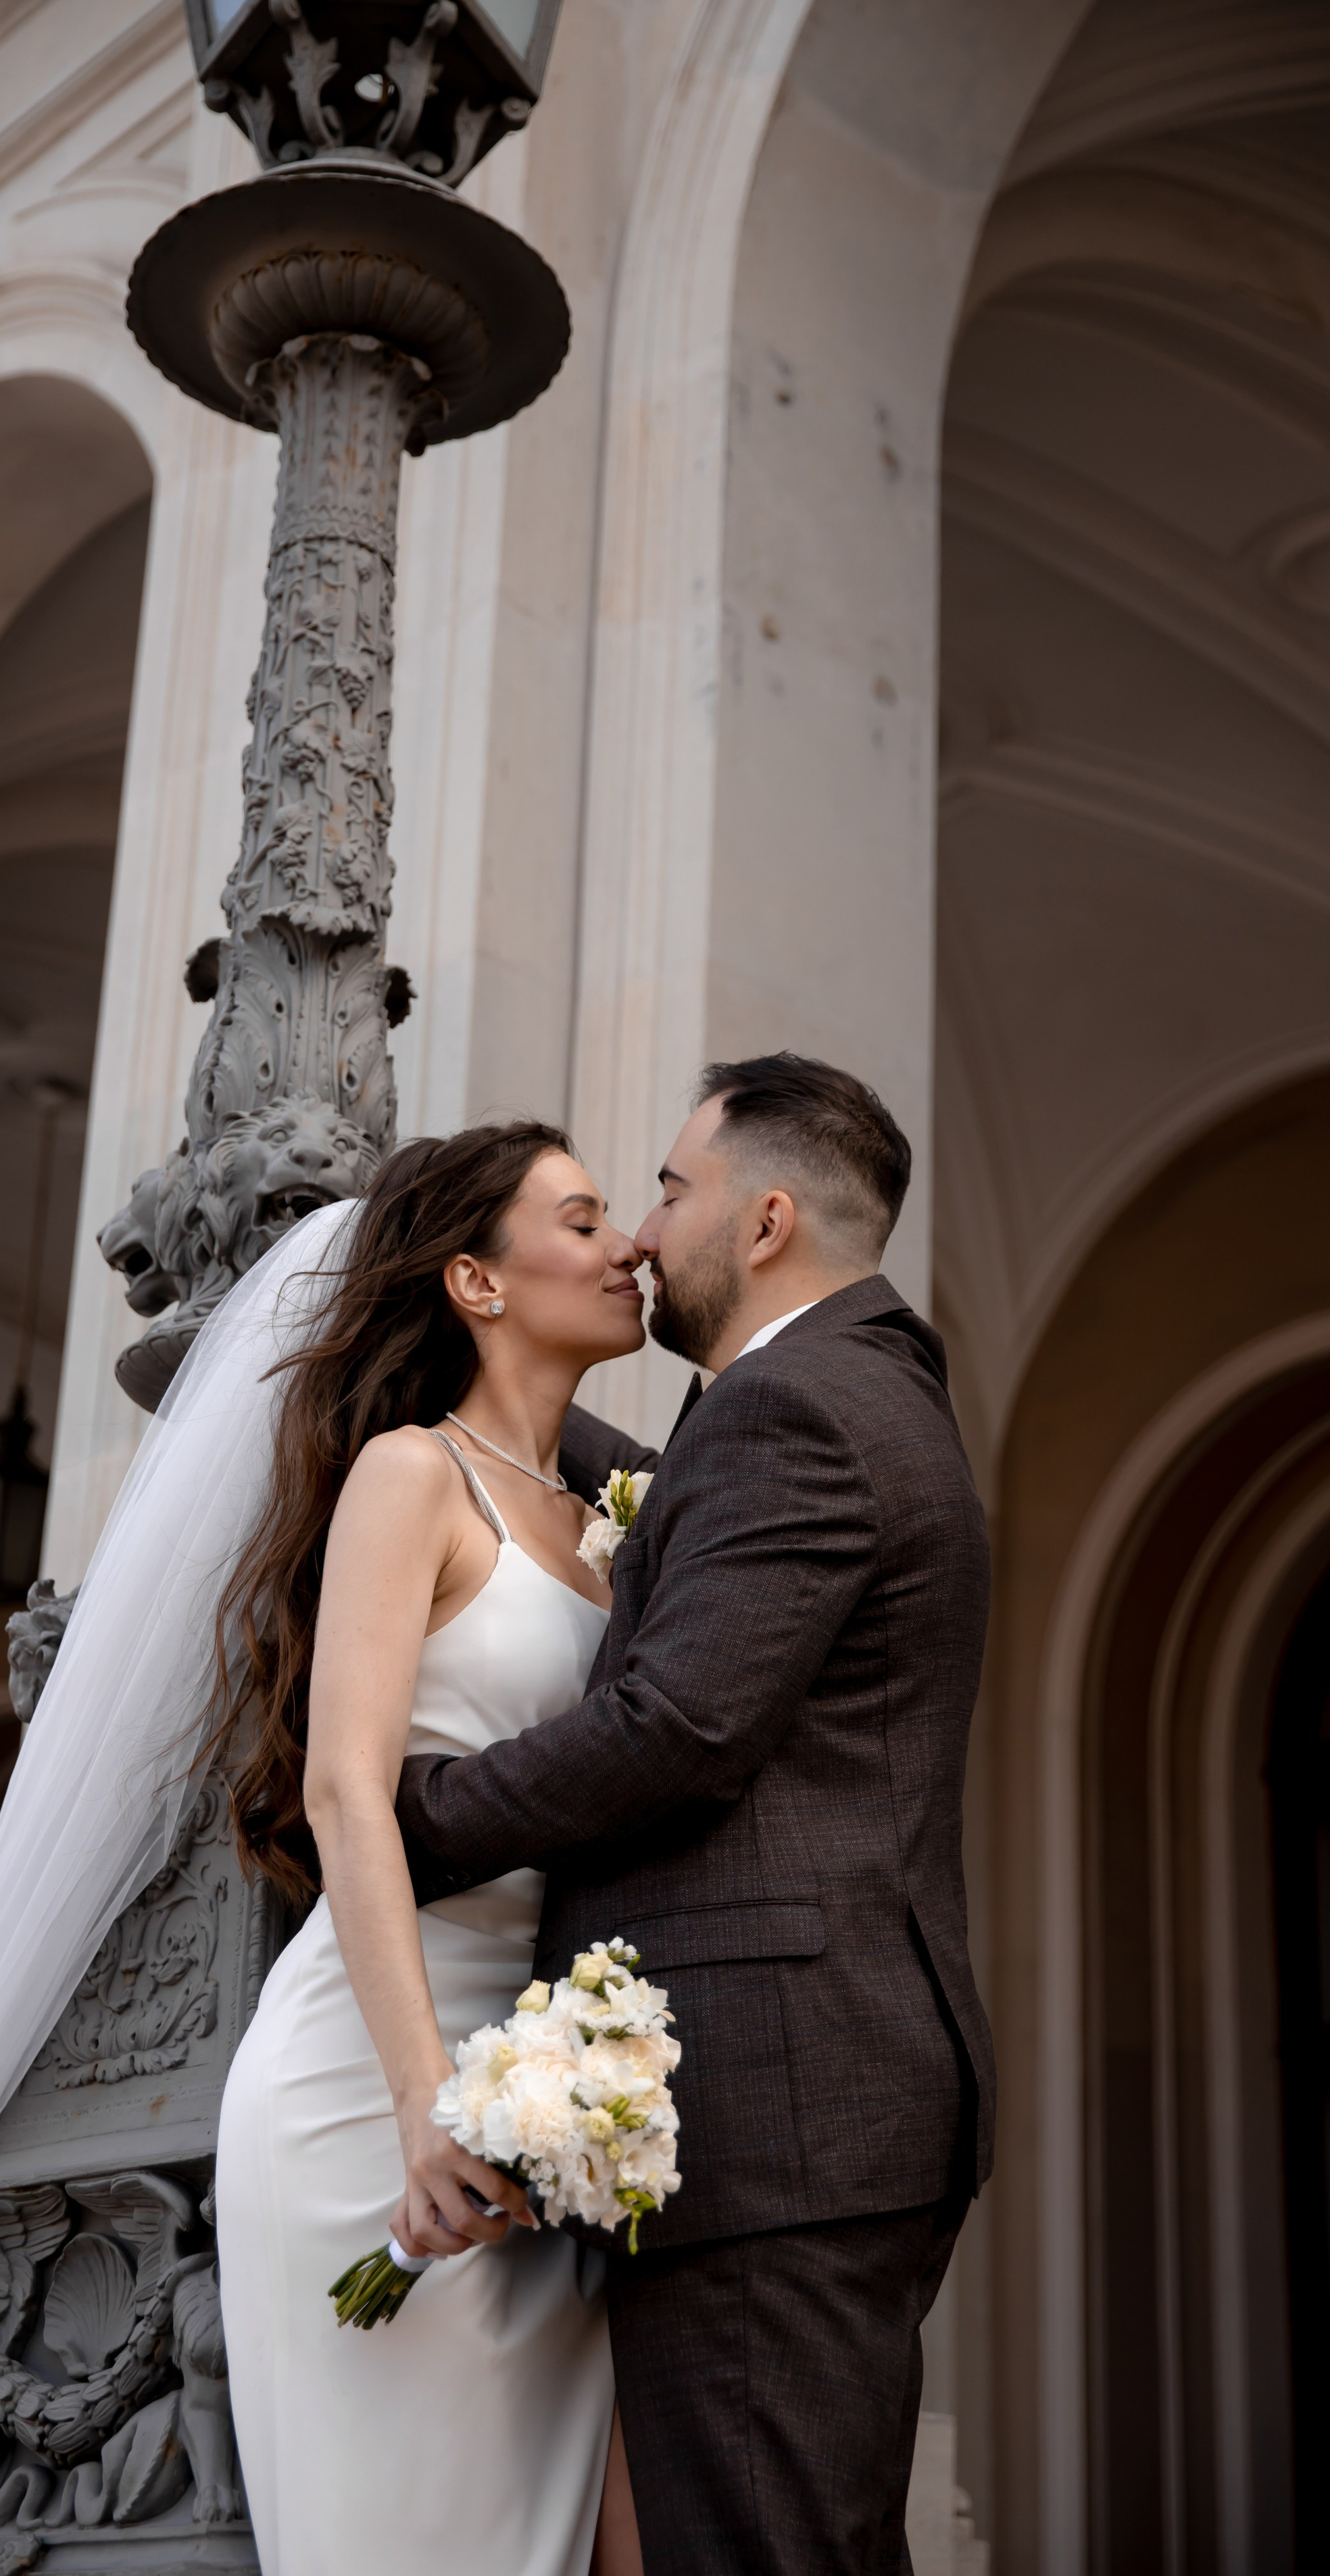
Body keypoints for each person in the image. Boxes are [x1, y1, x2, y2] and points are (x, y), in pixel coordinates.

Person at [395, 1053, 996, 2575]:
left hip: (776, 2110)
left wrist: (408, 1817)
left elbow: (679, 1727)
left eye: (668, 1192)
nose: (645, 1235)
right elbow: (694, 1520)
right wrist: (503, 1416)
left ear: (769, 1217)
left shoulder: (792, 1410)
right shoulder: (850, 1392)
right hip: (827, 2100)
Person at [211, 1120, 651, 2576]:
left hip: (562, 2096)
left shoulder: (615, 1524)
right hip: (368, 2081)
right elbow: (346, 1792)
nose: (623, 1247)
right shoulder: (410, 1476)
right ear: (474, 1279)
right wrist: (422, 2109)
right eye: (581, 1220)